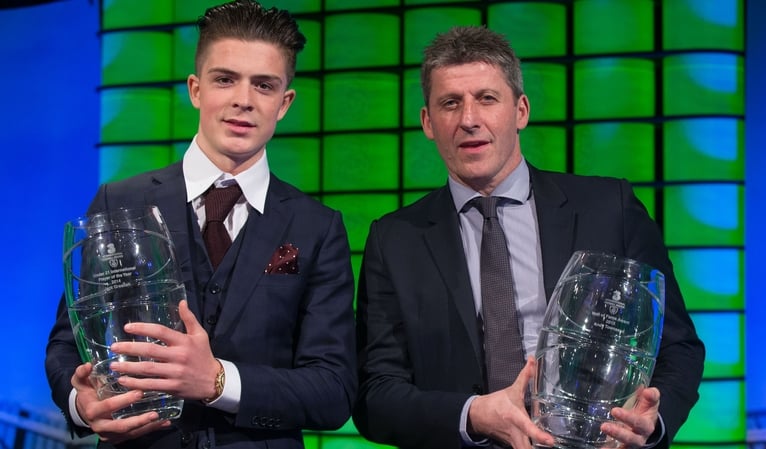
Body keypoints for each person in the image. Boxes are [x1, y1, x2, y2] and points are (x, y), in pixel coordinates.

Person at [352, 26, 705, 449]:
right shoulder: (395, 240)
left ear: (520, 110)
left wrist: (652, 422)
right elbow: (376, 394)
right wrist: (473, 416)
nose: (469, 119)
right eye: (450, 103)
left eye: (486, 98)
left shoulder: (610, 207)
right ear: (428, 122)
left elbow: (678, 348)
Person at [45, 1, 356, 448]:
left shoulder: (317, 227)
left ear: (284, 103)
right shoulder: (119, 201)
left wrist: (217, 380)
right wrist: (82, 404)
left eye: (263, 85)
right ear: (195, 89)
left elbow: (334, 390)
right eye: (225, 79)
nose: (243, 100)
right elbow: (65, 346)